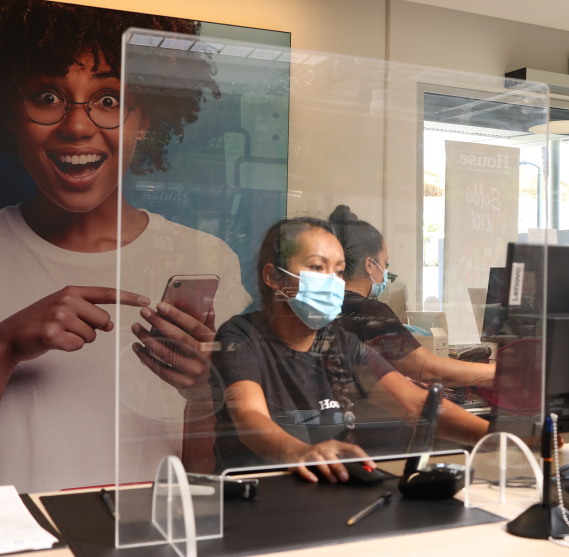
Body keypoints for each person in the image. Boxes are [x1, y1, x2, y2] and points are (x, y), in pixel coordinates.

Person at [0, 1, 251, 493]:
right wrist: (6, 345)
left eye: (109, 99)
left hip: (147, 530)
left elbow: (203, 480)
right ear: (11, 113)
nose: (77, 127)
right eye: (46, 96)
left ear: (145, 120)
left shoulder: (207, 260)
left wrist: (200, 393)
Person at [211, 218, 489, 483]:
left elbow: (416, 405)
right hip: (263, 492)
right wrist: (301, 453)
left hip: (330, 491)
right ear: (274, 277)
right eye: (318, 267)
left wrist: (498, 437)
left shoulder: (342, 344)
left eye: (339, 271)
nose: (332, 281)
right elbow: (250, 417)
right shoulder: (241, 336)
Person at [328, 205, 495, 388]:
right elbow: (426, 369)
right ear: (370, 265)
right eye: (385, 263)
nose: (385, 271)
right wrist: (497, 371)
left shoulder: (329, 306)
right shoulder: (367, 312)